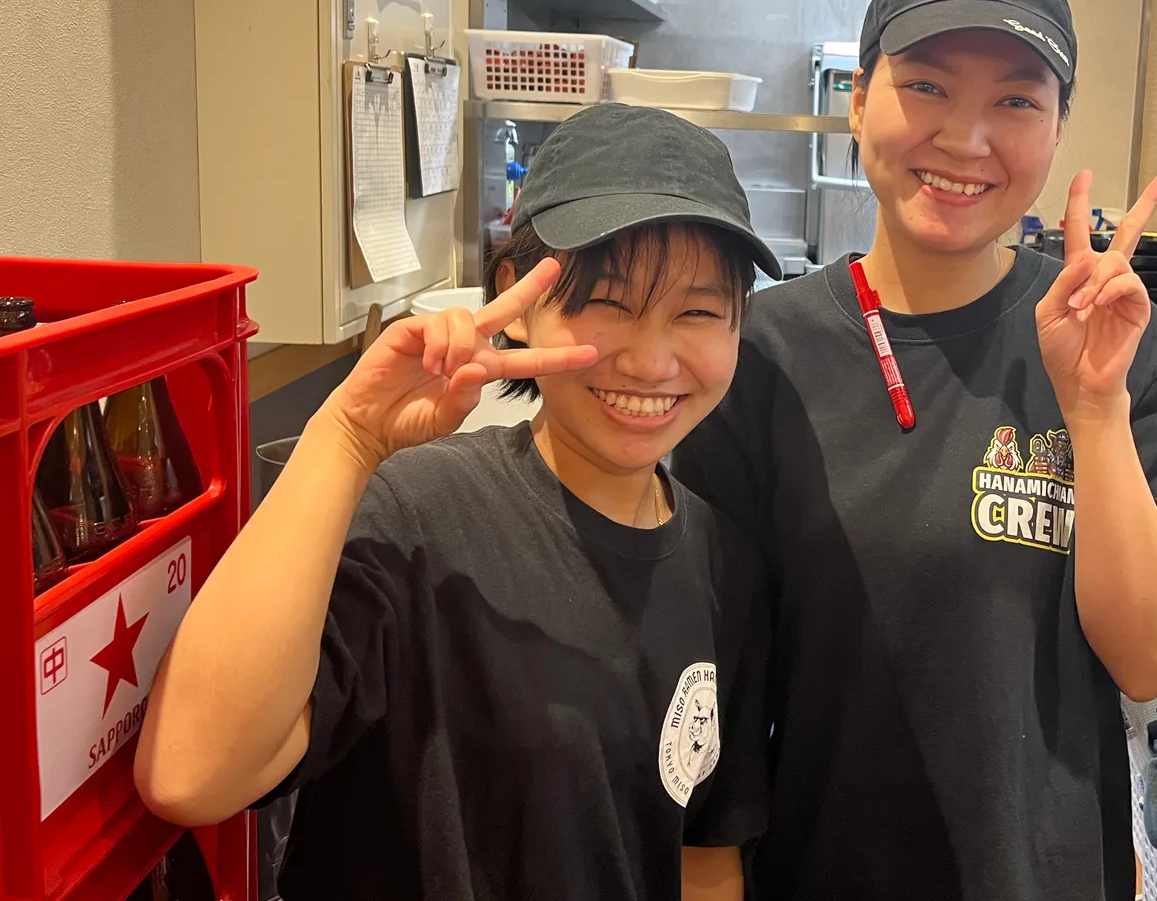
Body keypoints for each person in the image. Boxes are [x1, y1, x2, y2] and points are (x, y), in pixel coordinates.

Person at [672, 0, 1157, 900]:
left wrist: (1095, 410)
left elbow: (1147, 660)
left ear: (1058, 127)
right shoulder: (761, 354)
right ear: (858, 102)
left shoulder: (1123, 347)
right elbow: (705, 678)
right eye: (926, 86)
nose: (967, 139)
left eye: (1016, 100)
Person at [135, 105, 776, 901]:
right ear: (519, 295)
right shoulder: (416, 515)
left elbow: (703, 853)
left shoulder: (728, 566)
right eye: (609, 302)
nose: (650, 361)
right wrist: (347, 437)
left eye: (698, 312)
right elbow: (191, 774)